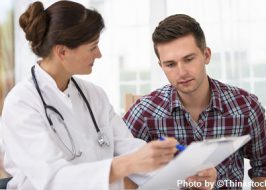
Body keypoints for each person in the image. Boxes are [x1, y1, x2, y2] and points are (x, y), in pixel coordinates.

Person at [0, 1, 182, 189]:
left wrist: (184, 175)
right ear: (62, 52)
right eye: (93, 47)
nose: (99, 54)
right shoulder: (21, 103)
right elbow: (54, 180)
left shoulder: (94, 95)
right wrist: (128, 164)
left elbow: (129, 148)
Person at [124, 14, 266, 189]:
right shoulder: (144, 112)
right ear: (161, 66)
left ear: (206, 55)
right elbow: (116, 171)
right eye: (170, 64)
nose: (182, 72)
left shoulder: (245, 107)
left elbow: (265, 167)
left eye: (189, 59)